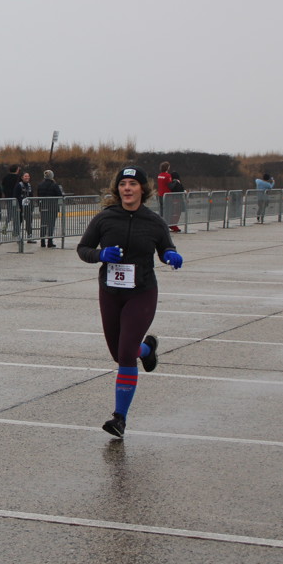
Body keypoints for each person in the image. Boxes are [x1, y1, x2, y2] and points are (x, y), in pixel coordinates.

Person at [76, 166, 183, 438]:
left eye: (133, 184)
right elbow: (83, 249)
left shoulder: (154, 221)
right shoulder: (105, 218)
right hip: (110, 293)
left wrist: (171, 256)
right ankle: (146, 350)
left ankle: (119, 418)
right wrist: (100, 255)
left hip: (141, 292)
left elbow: (166, 248)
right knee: (120, 353)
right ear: (118, 189)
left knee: (125, 354)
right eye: (123, 183)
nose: (127, 188)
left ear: (142, 189)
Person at [36, 170, 64, 247]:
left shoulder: (40, 185)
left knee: (43, 224)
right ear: (52, 176)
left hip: (43, 207)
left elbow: (38, 195)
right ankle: (50, 241)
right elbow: (59, 195)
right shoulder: (54, 185)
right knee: (51, 224)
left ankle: (42, 241)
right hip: (52, 208)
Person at [13, 171, 36, 243]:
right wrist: (18, 206)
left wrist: (32, 206)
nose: (27, 177)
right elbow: (16, 196)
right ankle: (18, 237)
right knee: (19, 222)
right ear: (22, 177)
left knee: (29, 222)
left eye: (28, 176)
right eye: (25, 176)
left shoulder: (29, 185)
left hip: (28, 207)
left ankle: (29, 237)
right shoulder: (18, 185)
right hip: (20, 207)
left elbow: (31, 196)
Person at [1, 164, 21, 234]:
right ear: (17, 170)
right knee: (16, 214)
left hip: (8, 197)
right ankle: (15, 230)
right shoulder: (18, 178)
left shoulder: (6, 177)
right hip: (15, 198)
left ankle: (5, 225)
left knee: (9, 213)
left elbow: (3, 186)